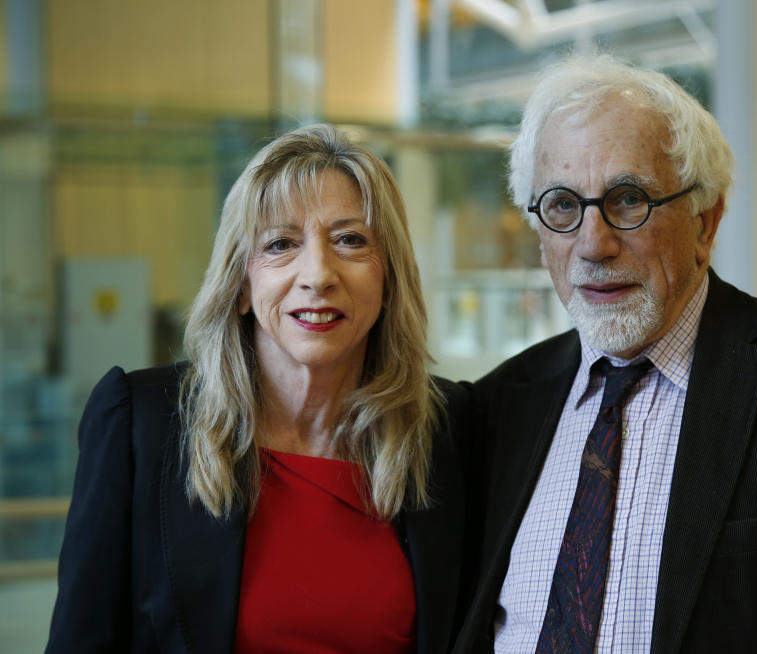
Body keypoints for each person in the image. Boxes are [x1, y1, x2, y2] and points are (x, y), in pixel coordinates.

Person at [454, 54, 757, 653]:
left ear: (706, 221)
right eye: (562, 205)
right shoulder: (499, 406)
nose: (593, 242)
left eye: (628, 198)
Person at [47, 124, 468, 654]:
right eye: (280, 244)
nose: (318, 274)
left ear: (389, 279)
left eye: (350, 240)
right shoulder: (141, 424)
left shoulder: (448, 429)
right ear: (242, 285)